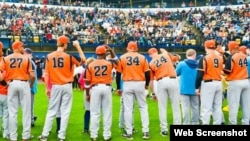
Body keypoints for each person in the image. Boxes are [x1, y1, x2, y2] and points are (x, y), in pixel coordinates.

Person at [38, 35, 86, 141]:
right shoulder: (69, 56)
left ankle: (44, 135)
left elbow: (46, 73)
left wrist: (47, 88)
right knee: (65, 111)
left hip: (55, 86)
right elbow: (84, 61)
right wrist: (78, 46)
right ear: (65, 44)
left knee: (51, 111)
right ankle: (61, 136)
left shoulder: (49, 56)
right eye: (67, 43)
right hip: (67, 86)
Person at [0, 41, 35, 141]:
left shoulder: (6, 58)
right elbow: (32, 75)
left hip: (11, 84)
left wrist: (5, 83)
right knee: (26, 112)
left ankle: (13, 136)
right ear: (19, 47)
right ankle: (25, 136)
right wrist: (31, 84)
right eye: (22, 47)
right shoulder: (26, 58)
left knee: (12, 112)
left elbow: (1, 75)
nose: (23, 48)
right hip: (23, 84)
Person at [116, 41, 150, 140]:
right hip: (140, 83)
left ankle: (129, 133)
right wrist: (147, 84)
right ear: (136, 48)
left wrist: (118, 87)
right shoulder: (142, 57)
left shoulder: (122, 57)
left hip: (127, 84)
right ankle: (146, 132)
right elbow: (147, 73)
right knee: (143, 108)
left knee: (128, 109)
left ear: (127, 48)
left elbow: (118, 74)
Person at [85, 45, 117, 141]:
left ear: (96, 53)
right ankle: (106, 135)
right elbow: (116, 60)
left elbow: (87, 82)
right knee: (107, 112)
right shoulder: (109, 63)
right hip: (107, 87)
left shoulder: (90, 64)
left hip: (95, 88)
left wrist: (87, 94)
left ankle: (94, 135)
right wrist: (111, 51)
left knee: (95, 113)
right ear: (104, 53)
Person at [147, 47, 181, 136]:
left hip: (161, 81)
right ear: (157, 52)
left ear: (150, 55)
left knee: (162, 107)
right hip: (173, 79)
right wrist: (166, 51)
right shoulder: (165, 54)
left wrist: (153, 93)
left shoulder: (150, 63)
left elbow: (151, 81)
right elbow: (177, 58)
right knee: (176, 105)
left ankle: (164, 129)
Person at [195, 40, 224, 125]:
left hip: (208, 83)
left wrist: (197, 87)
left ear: (205, 47)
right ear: (214, 47)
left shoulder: (204, 58)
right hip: (218, 83)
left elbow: (200, 74)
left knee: (206, 108)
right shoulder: (220, 57)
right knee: (217, 107)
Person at [223, 41, 250, 125]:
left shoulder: (232, 57)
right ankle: (246, 123)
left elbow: (227, 71)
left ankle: (232, 123)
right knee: (246, 105)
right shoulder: (245, 55)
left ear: (230, 48)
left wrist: (221, 69)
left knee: (233, 105)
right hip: (246, 81)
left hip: (235, 82)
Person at [176, 49, 200, 125]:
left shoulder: (181, 64)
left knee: (185, 107)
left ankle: (186, 123)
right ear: (195, 55)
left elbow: (176, 73)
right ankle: (195, 123)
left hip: (184, 89)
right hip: (195, 88)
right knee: (195, 107)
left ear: (186, 55)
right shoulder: (199, 64)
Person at [78, 57, 95, 134]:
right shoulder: (95, 70)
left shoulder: (84, 71)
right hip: (95, 90)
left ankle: (86, 128)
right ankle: (93, 129)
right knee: (95, 111)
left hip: (87, 90)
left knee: (87, 110)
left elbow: (80, 82)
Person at [24, 48, 38, 127]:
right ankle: (31, 118)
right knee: (29, 104)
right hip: (30, 85)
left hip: (29, 85)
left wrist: (30, 86)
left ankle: (31, 119)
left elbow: (31, 76)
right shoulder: (30, 61)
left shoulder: (29, 61)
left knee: (29, 104)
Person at [0, 42, 9, 140]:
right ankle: (5, 133)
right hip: (5, 91)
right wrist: (6, 83)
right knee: (6, 114)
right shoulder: (5, 60)